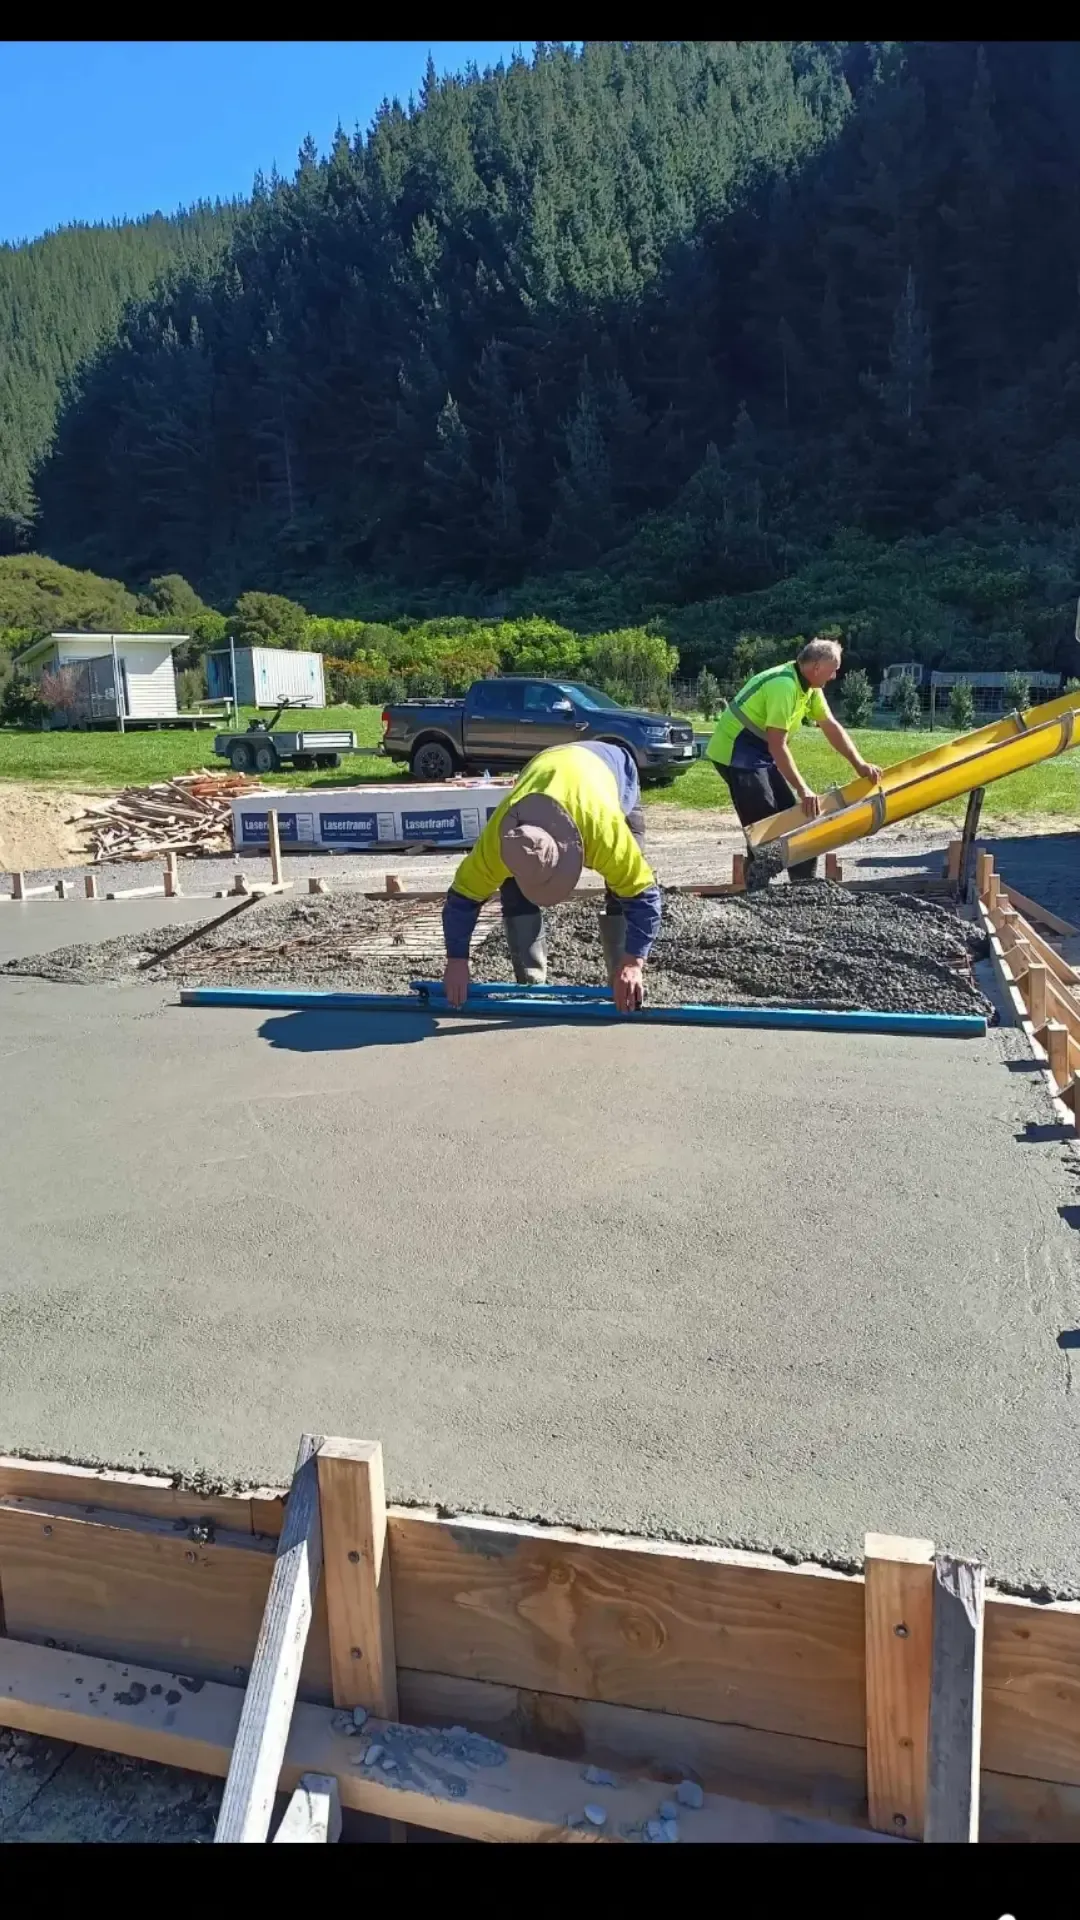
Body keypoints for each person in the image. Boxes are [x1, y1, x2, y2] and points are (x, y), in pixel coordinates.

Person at [441, 740, 663, 1012]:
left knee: (621, 889)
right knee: (514, 888)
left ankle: (621, 980)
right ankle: (532, 986)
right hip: (544, 764)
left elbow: (644, 896)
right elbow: (462, 898)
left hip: (612, 765)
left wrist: (633, 962)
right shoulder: (501, 842)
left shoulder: (602, 831)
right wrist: (456, 960)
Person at [705, 637, 882, 880]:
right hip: (736, 751)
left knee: (796, 820)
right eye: (834, 670)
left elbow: (830, 726)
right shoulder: (784, 686)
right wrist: (803, 789)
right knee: (766, 823)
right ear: (817, 667)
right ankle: (755, 889)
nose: (833, 677)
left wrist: (859, 764)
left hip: (761, 751)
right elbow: (777, 746)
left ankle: (803, 885)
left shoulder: (810, 687)